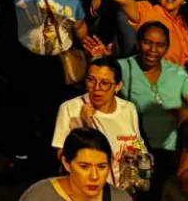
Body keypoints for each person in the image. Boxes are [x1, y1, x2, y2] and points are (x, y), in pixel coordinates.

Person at [5, 0, 90, 173]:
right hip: (28, 59)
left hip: (57, 63)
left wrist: (90, 50)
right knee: (23, 106)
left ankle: (52, 156)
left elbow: (79, 26)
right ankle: (22, 153)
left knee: (54, 109)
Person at [116, 21, 188, 199]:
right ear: (138, 42)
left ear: (167, 48)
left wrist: (186, 113)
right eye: (147, 42)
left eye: (160, 45)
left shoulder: (177, 73)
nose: (152, 50)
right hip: (130, 151)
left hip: (166, 153)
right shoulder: (122, 68)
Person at [51, 57, 146, 193]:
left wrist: (139, 154)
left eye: (105, 83)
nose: (96, 88)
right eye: (91, 80)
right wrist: (84, 126)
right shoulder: (70, 109)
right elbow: (62, 154)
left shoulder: (128, 108)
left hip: (123, 189)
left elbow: (137, 142)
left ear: (118, 86)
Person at [20, 128, 131, 200]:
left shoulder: (120, 198)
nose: (94, 176)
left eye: (102, 167)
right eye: (84, 167)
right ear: (66, 163)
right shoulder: (39, 197)